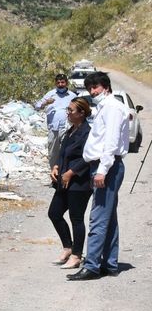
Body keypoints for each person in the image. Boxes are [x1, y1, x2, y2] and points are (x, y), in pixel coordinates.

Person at [68, 72, 130, 281]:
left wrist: (102, 170)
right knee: (109, 218)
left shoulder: (112, 107)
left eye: (95, 88)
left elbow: (110, 143)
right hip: (105, 166)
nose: (93, 92)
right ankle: (110, 264)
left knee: (97, 218)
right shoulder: (104, 108)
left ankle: (92, 266)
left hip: (107, 167)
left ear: (106, 87)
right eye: (90, 89)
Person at [48, 97, 92, 270]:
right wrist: (57, 166)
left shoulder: (87, 133)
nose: (68, 113)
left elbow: (87, 158)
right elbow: (63, 152)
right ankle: (68, 247)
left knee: (76, 218)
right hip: (64, 181)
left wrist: (71, 172)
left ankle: (76, 255)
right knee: (54, 213)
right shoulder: (71, 130)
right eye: (67, 109)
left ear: (81, 113)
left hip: (79, 182)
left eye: (71, 110)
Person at [35, 74, 78, 169]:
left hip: (67, 128)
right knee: (53, 153)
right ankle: (54, 176)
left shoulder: (72, 96)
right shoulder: (50, 94)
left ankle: (64, 175)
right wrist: (45, 103)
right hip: (53, 129)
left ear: (66, 83)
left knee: (67, 151)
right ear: (55, 83)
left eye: (62, 82)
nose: (60, 84)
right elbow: (37, 106)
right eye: (58, 82)